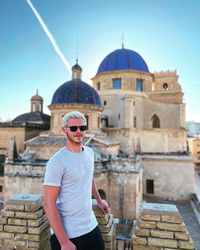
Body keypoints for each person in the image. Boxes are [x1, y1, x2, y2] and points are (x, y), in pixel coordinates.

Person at [44, 111, 109, 250]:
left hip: (91, 227)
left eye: (82, 128)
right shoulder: (57, 161)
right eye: (73, 128)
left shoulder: (90, 153)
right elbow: (49, 204)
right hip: (68, 235)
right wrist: (64, 242)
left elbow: (88, 176)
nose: (78, 132)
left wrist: (98, 199)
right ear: (64, 130)